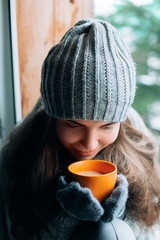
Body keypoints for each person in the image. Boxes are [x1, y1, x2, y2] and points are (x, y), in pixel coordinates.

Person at [0, 18, 160, 240]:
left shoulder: (138, 144)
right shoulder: (20, 155)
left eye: (107, 126)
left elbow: (153, 227)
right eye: (73, 125)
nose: (89, 144)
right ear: (53, 118)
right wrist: (66, 221)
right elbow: (15, 232)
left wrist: (122, 218)